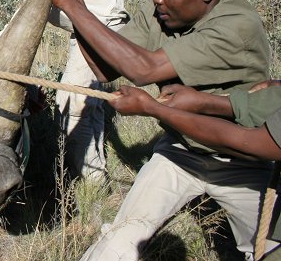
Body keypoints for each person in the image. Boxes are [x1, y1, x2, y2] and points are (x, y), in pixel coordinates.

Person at [32, 0, 272, 260]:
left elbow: (143, 70)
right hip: (180, 151)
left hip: (241, 159)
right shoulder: (162, 9)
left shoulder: (237, 28)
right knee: (116, 244)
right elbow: (105, 68)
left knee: (265, 250)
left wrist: (67, 3)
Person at [10, 0, 129, 180]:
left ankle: (90, 182)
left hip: (102, 25)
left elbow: (41, 0)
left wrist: (4, 37)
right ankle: (96, 174)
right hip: (85, 27)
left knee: (70, 100)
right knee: (90, 104)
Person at [109, 82, 281, 257]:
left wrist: (153, 108)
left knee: (269, 248)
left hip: (244, 166)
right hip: (180, 153)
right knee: (120, 239)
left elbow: (250, 143)